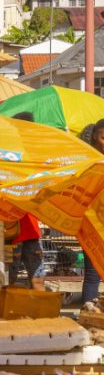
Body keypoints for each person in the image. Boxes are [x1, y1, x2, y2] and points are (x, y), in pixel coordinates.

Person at [81, 119, 104, 303]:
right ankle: (89, 316)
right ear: (95, 136)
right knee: (92, 274)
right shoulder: (88, 160)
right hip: (92, 224)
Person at [8, 214, 42, 288]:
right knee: (36, 276)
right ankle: (38, 297)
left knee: (8, 276)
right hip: (26, 232)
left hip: (13, 232)